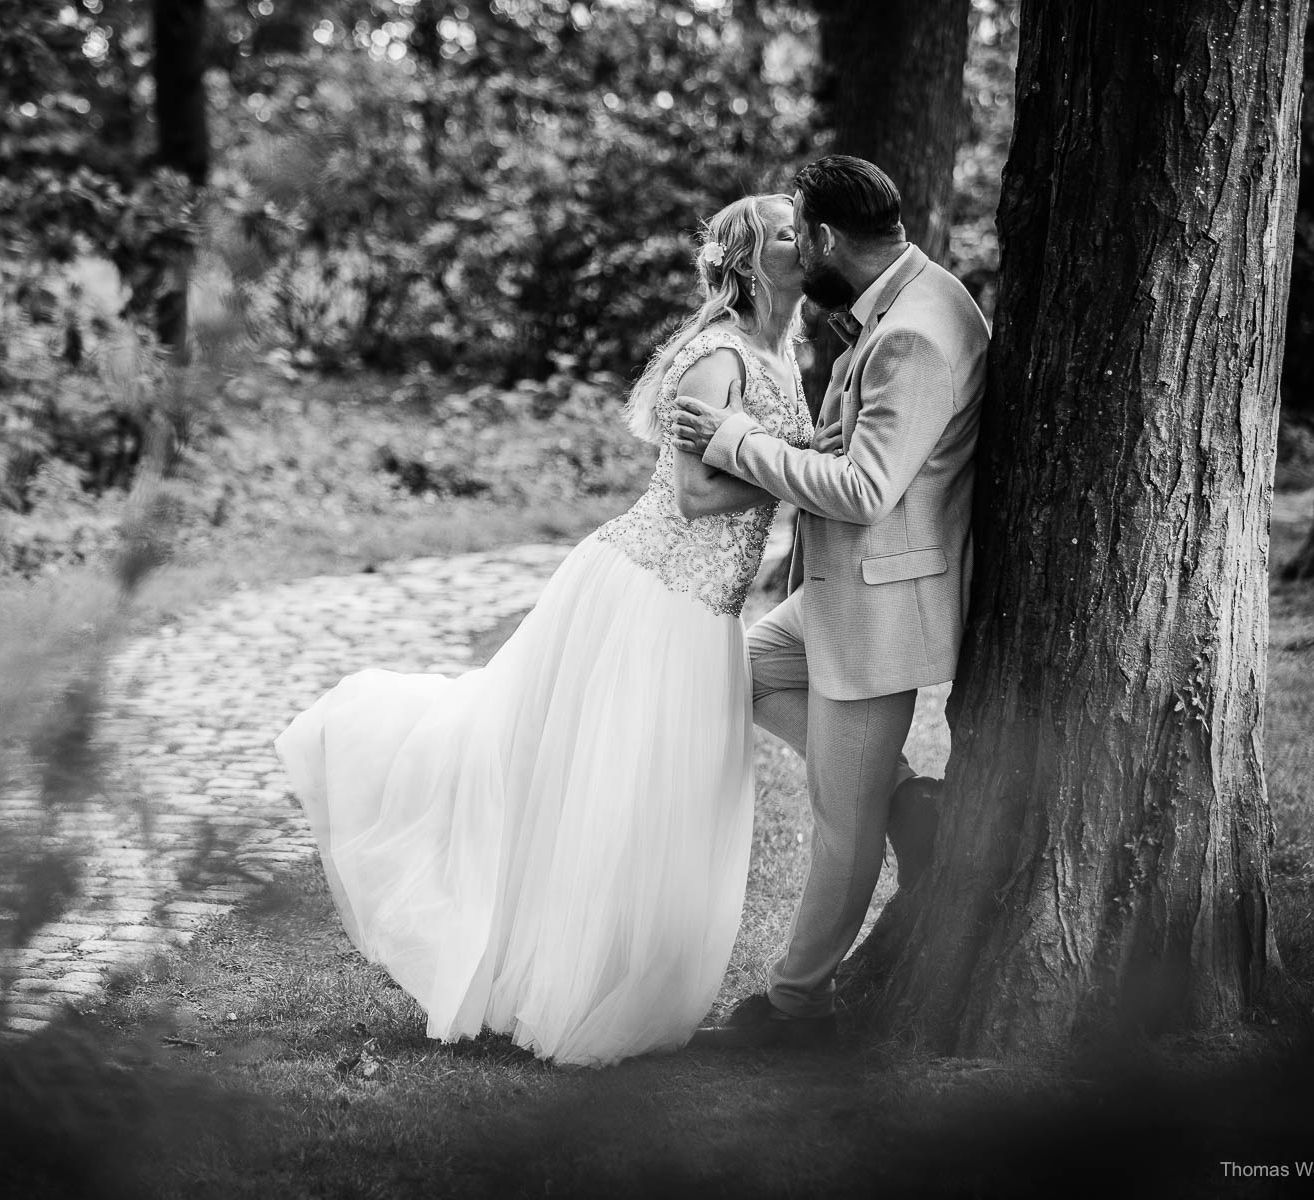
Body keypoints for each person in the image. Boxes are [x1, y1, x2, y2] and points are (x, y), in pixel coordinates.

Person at [274, 194, 813, 1067]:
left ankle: (624, 979)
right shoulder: (719, 358)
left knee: (664, 799)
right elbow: (693, 495)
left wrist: (800, 466)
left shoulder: (784, 354)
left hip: (709, 607)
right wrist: (803, 474)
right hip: (653, 594)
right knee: (604, 788)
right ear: (750, 261)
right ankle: (566, 984)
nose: (807, 240)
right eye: (790, 232)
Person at [671, 155, 989, 1047]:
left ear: (823, 238)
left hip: (880, 607)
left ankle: (796, 1008)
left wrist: (735, 440)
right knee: (733, 676)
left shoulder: (914, 332)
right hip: (838, 592)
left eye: (799, 232)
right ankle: (909, 803)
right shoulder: (903, 297)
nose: (796, 248)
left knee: (840, 829)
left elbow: (864, 489)